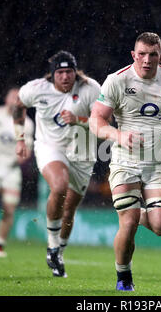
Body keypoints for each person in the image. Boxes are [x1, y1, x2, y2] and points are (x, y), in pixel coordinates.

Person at [89, 32, 161, 291]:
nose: (147, 59)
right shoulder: (116, 81)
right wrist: (117, 134)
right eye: (141, 54)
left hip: (159, 164)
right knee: (127, 223)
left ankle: (139, 212)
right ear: (133, 55)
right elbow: (96, 121)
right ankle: (124, 276)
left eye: (153, 54)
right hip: (124, 161)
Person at [14, 51, 100, 277]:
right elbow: (18, 105)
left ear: (75, 71)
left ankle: (57, 252)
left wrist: (79, 120)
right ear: (52, 75)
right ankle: (52, 244)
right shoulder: (36, 89)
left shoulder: (91, 89)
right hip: (50, 147)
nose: (64, 77)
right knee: (59, 187)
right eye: (59, 72)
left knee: (69, 210)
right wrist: (20, 138)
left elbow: (104, 121)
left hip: (82, 152)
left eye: (69, 72)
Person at [0, 87, 34, 258]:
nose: (15, 100)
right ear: (6, 98)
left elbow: (28, 149)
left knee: (9, 208)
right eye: (13, 97)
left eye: (19, 98)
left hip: (11, 168)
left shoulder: (28, 123)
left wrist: (21, 159)